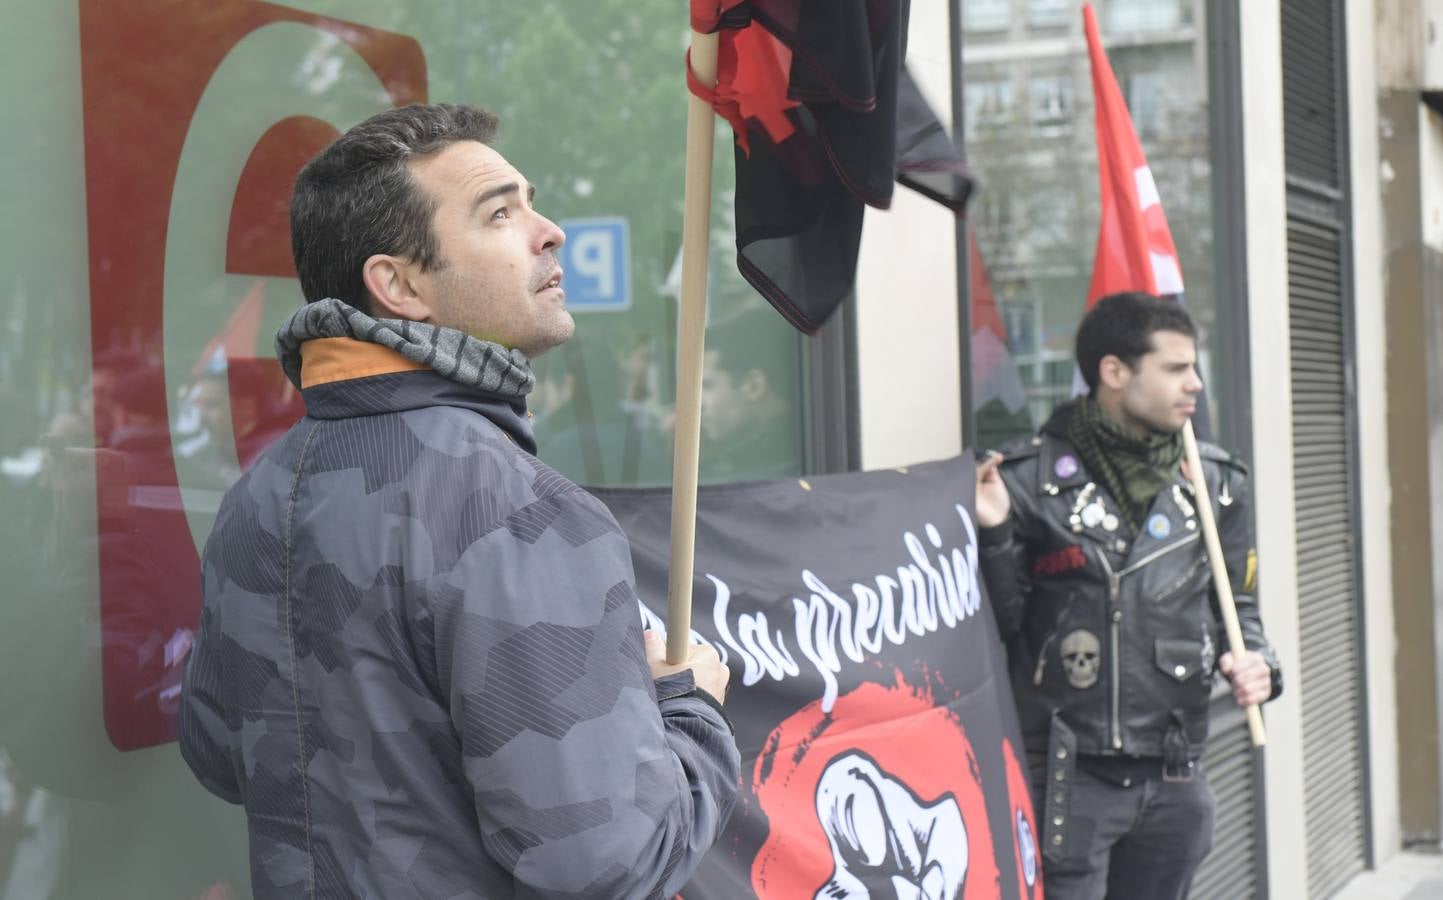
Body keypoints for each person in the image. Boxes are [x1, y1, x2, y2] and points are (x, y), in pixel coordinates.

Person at [178, 103, 740, 899]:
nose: (550, 232)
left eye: (531, 203)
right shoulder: (516, 512)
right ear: (400, 286)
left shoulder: (255, 497)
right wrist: (690, 711)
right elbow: (604, 863)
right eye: (499, 213)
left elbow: (217, 753)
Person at [973, 292, 1281, 900]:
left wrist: (1261, 664)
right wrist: (995, 532)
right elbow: (1002, 627)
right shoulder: (1027, 482)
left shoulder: (1217, 484)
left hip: (1177, 772)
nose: (1195, 384)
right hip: (1067, 776)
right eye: (1174, 368)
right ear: (1114, 372)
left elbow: (1239, 612)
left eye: (1194, 367)